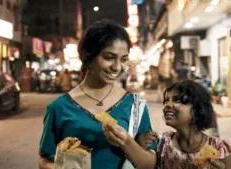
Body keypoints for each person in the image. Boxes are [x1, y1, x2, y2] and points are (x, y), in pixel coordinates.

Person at [38, 20, 155, 169]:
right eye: (108, 57)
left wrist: (126, 142)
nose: (117, 67)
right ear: (88, 57)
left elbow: (150, 164)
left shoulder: (135, 106)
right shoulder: (59, 107)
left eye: (124, 59)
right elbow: (44, 160)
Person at [103, 80, 231, 169]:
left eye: (177, 100)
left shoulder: (219, 148)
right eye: (166, 100)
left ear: (197, 109)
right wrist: (132, 142)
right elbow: (144, 164)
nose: (167, 106)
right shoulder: (161, 142)